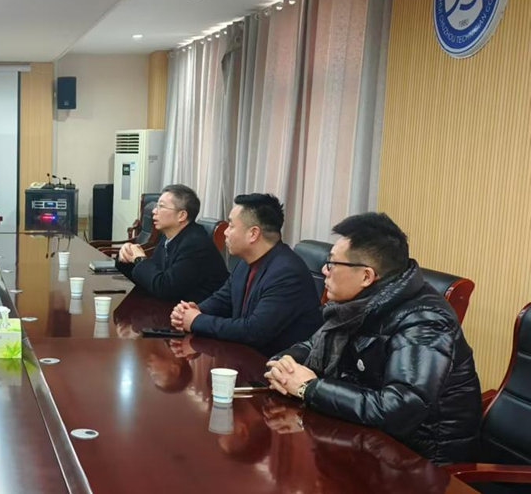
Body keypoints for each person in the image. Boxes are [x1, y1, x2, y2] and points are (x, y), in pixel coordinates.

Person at [264, 212, 481, 465]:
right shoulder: (356, 304)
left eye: (332, 263)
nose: (324, 270)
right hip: (365, 439)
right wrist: (285, 364)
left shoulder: (425, 321)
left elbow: (399, 409)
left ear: (367, 276)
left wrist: (309, 388)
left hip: (418, 461)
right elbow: (314, 344)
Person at [170, 193, 321, 357]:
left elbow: (254, 331)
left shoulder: (287, 272)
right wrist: (193, 310)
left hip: (272, 365)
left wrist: (196, 320)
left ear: (253, 233)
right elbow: (222, 300)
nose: (226, 232)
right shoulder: (246, 263)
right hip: (242, 356)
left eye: (231, 226)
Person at [115, 184, 229, 302]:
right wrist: (126, 256)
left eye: (161, 206)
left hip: (199, 310)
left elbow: (165, 288)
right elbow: (151, 279)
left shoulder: (195, 244)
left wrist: (140, 259)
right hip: (171, 306)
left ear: (181, 215)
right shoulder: (168, 237)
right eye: (156, 206)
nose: (154, 211)